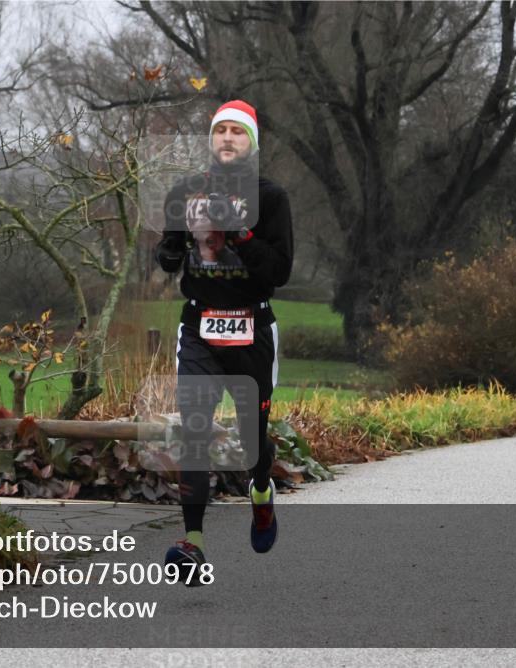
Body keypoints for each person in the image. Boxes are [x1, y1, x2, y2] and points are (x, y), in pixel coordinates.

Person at [155, 100, 293, 585]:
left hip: (252, 329)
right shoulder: (185, 191)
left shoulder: (270, 197)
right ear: (211, 140)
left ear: (250, 142)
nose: (228, 138)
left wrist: (240, 233)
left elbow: (279, 271)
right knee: (195, 433)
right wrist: (169, 250)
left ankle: (260, 493)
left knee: (253, 441)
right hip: (199, 329)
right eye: (221, 131)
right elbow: (169, 258)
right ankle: (192, 544)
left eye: (238, 132)